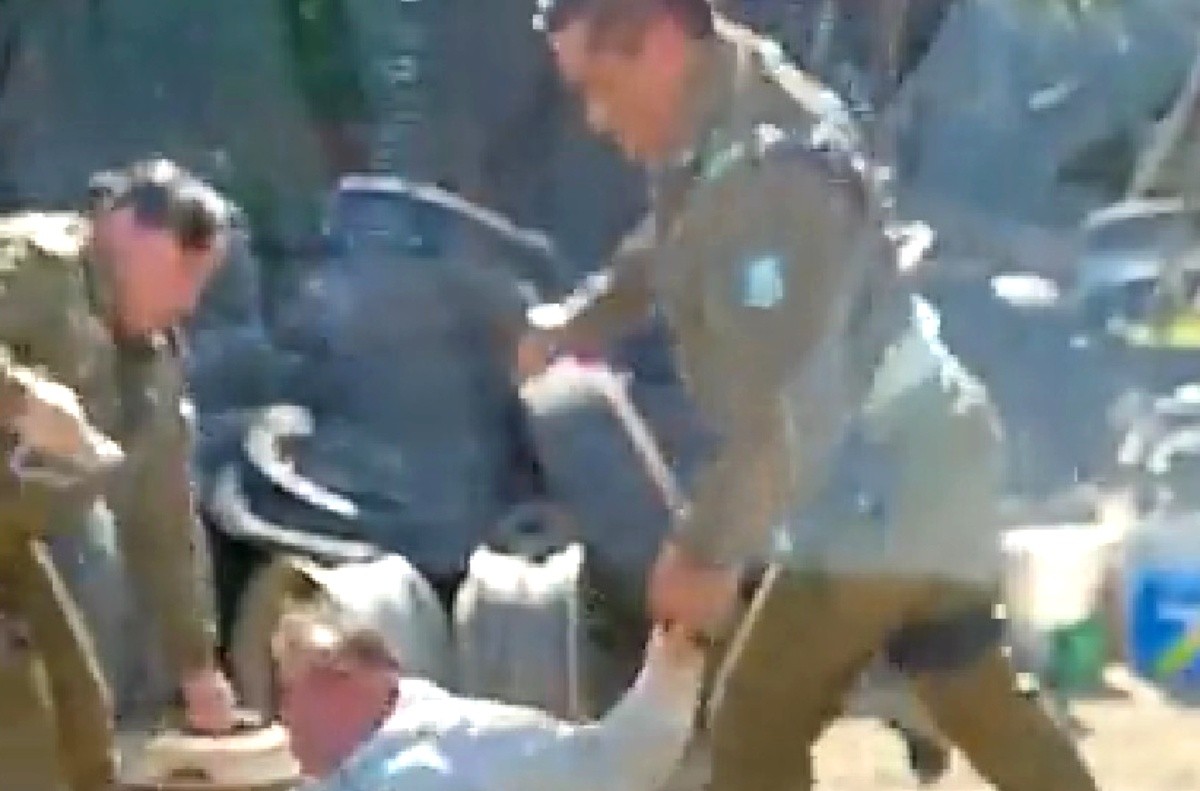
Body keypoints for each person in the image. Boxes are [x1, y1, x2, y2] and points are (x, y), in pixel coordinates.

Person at [518, 1, 1098, 789]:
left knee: (753, 724)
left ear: (660, 42)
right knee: (969, 688)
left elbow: (787, 413)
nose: (594, 116)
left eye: (601, 84)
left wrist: (704, 549)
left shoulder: (773, 172)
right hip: (928, 440)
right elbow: (676, 237)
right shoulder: (722, 111)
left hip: (886, 473)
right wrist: (579, 322)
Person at [0, 158, 239, 791]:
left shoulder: (151, 357)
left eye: (201, 283)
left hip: (19, 546)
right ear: (125, 229)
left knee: (81, 732)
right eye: (182, 273)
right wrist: (19, 400)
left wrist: (196, 663)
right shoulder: (34, 268)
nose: (188, 301)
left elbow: (164, 514)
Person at [272, 593, 704, 791]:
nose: (284, 716)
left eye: (289, 692)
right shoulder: (342, 775)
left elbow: (611, 764)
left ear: (340, 679)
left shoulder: (465, 746)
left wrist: (676, 653)